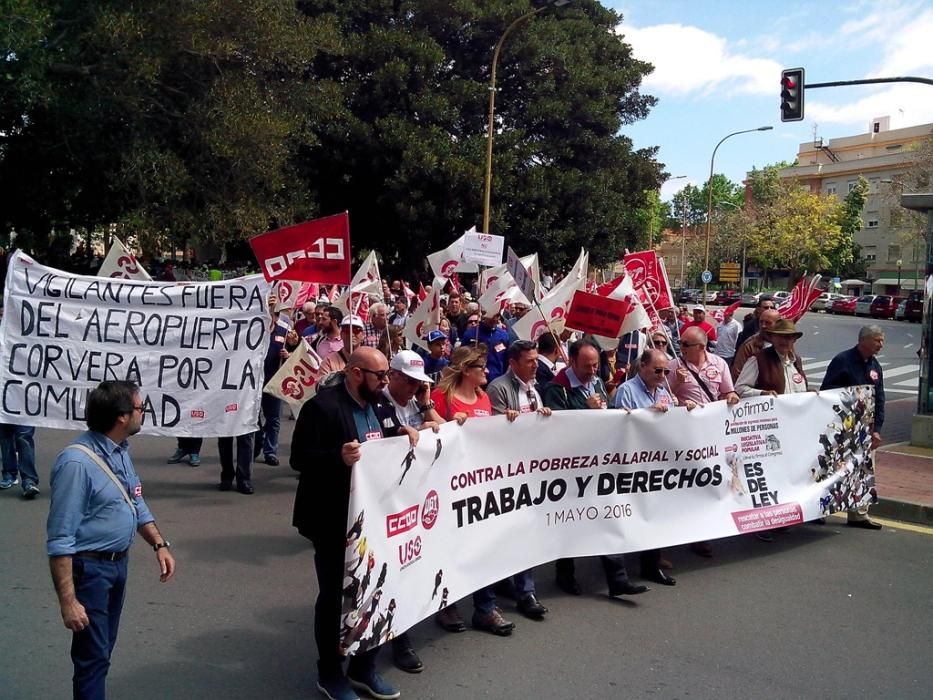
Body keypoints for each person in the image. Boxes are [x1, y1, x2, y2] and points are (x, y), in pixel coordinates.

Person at [291, 347, 417, 700]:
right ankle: (330, 674)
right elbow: (299, 458)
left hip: (376, 517)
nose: (385, 382)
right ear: (356, 373)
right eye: (380, 376)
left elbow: (390, 443)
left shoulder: (382, 405)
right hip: (333, 519)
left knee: (376, 589)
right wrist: (337, 457)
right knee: (334, 597)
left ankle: (364, 666)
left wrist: (410, 433)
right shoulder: (323, 408)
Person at [47, 380, 176, 699]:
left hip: (117, 567)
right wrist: (69, 601)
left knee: (102, 651)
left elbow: (136, 500)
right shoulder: (77, 464)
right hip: (90, 572)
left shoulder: (119, 451)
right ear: (121, 416)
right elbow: (60, 537)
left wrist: (158, 543)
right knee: (92, 659)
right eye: (140, 407)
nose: (143, 412)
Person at [542, 339, 648, 598]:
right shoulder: (557, 389)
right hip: (570, 468)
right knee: (569, 521)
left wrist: (615, 413)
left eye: (595, 365)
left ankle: (618, 578)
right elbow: (558, 428)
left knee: (608, 515)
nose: (592, 371)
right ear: (572, 362)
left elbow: (605, 414)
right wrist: (585, 409)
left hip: (599, 464)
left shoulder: (598, 382)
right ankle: (564, 574)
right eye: (587, 366)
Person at [430, 345, 516, 635]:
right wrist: (447, 425)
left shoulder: (482, 398)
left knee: (482, 545)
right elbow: (429, 430)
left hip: (478, 483)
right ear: (466, 370)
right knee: (450, 546)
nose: (487, 372)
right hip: (448, 483)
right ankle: (447, 605)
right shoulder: (442, 397)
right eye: (481, 368)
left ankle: (485, 608)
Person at [379, 350, 443, 673]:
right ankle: (397, 639)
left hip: (417, 497)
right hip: (388, 502)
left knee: (413, 565)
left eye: (420, 384)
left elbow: (444, 430)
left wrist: (428, 405)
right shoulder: (379, 404)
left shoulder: (417, 402)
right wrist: (397, 435)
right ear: (395, 377)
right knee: (394, 569)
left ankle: (403, 627)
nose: (416, 389)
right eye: (412, 383)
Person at [612, 349, 693, 586]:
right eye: (658, 370)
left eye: (665, 371)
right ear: (643, 367)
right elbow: (621, 423)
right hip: (633, 463)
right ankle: (618, 573)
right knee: (627, 515)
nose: (662, 375)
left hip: (657, 463)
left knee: (655, 514)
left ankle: (651, 564)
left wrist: (684, 410)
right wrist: (648, 414)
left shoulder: (664, 390)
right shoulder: (627, 390)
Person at [486, 340, 552, 620]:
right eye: (529, 361)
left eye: (536, 359)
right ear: (513, 363)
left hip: (530, 471)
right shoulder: (499, 388)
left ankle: (526, 591)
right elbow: (493, 431)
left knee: (526, 531)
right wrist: (506, 420)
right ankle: (509, 586)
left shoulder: (534, 389)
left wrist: (544, 416)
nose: (536, 365)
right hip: (507, 474)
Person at [667, 327, 739, 558]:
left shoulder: (719, 364)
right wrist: (676, 384)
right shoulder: (672, 366)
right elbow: (663, 397)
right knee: (684, 484)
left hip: (710, 434)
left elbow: (728, 392)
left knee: (707, 482)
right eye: (680, 343)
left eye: (686, 344)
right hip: (683, 435)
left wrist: (731, 397)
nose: (681, 347)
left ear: (701, 346)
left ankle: (701, 535)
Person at [820, 325, 886, 530]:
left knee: (864, 468)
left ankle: (859, 514)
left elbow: (880, 398)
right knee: (832, 467)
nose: (881, 345)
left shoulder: (875, 365)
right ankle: (821, 510)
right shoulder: (843, 361)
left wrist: (877, 428)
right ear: (864, 340)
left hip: (866, 428)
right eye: (877, 340)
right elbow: (827, 392)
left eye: (882, 340)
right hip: (842, 425)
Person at [735, 319, 808, 399]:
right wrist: (762, 393)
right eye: (780, 337)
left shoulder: (796, 360)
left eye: (788, 338)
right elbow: (740, 388)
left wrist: (809, 394)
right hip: (771, 410)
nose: (784, 341)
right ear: (772, 338)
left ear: (794, 340)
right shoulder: (758, 359)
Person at [730, 308, 781, 381]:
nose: (763, 326)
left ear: (778, 324)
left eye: (768, 323)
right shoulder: (750, 345)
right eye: (761, 322)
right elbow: (737, 373)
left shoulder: (784, 343)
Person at [460, 309, 510, 382]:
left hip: (497, 380)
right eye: (492, 315)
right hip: (475, 379)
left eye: (497, 316)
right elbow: (462, 358)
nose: (495, 319)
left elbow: (506, 360)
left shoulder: (503, 335)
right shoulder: (471, 334)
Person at [0, 423, 39, 498]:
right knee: (5, 437)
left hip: (25, 413)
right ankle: (9, 474)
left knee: (24, 438)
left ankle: (29, 480)